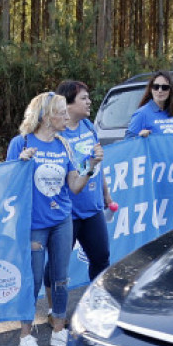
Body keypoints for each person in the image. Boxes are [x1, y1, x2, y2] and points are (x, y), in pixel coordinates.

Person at [7, 91, 103, 346]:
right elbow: (8, 185)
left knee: (60, 277)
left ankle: (59, 329)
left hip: (62, 220)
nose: (65, 116)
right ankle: (25, 336)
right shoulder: (21, 142)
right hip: (34, 223)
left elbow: (74, 186)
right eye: (61, 112)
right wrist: (21, 164)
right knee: (34, 279)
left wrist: (91, 165)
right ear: (46, 116)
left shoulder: (64, 144)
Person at [53, 79, 114, 281]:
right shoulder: (57, 136)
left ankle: (96, 304)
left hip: (93, 209)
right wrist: (90, 163)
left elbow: (98, 164)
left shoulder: (88, 125)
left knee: (101, 259)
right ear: (68, 104)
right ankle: (54, 309)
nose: (89, 101)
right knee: (57, 266)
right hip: (68, 213)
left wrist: (105, 194)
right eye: (84, 98)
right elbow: (72, 174)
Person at [124, 70, 173, 138]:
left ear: (170, 90)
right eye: (156, 87)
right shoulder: (141, 114)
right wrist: (139, 136)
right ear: (151, 89)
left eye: (165, 87)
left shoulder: (172, 114)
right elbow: (127, 143)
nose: (160, 90)